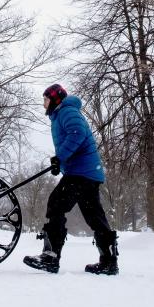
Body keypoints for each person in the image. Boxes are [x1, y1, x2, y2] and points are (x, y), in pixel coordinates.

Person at [23, 84, 119, 275]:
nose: (44, 104)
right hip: (87, 172)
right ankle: (109, 262)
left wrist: (61, 157)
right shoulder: (64, 112)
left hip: (81, 172)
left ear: (55, 99)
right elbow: (74, 136)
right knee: (94, 216)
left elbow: (77, 133)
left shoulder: (66, 111)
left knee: (56, 204)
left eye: (46, 100)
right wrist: (61, 161)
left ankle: (50, 257)